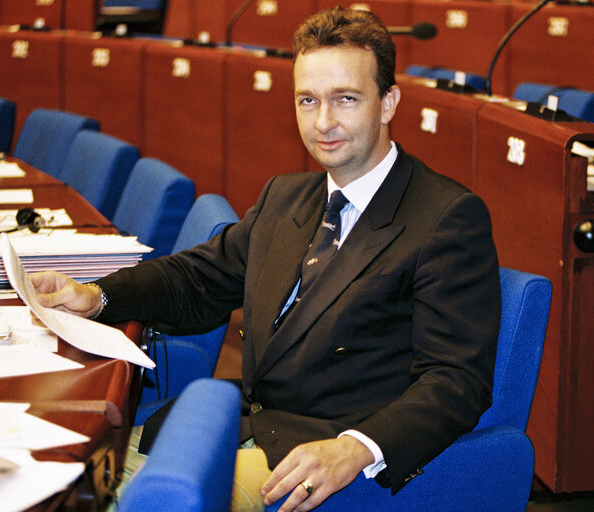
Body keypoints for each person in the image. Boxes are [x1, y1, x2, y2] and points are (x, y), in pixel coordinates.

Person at [31, 7, 500, 512]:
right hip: (244, 425)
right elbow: (197, 279)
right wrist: (98, 295)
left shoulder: (446, 217)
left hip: (316, 454)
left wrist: (355, 448)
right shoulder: (286, 197)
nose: (324, 122)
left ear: (388, 102)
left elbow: (455, 381)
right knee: (59, 472)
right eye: (307, 100)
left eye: (346, 99)